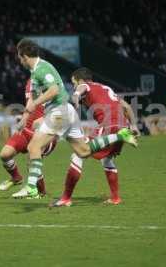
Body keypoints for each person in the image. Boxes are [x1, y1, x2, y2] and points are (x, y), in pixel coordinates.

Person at [12, 39, 138, 199]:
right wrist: (25, 118)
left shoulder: (42, 69)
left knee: (33, 147)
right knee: (83, 151)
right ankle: (120, 135)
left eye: (19, 56)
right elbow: (33, 99)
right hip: (65, 112)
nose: (19, 60)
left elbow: (54, 89)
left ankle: (31, 187)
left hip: (59, 112)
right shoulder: (36, 72)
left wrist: (36, 103)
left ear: (24, 56)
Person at [51, 68, 140, 207]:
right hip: (123, 125)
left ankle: (65, 198)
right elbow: (127, 107)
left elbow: (79, 90)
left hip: (108, 125)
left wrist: (74, 98)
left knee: (78, 154)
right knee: (106, 159)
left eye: (73, 82)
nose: (74, 85)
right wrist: (134, 127)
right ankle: (115, 198)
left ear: (79, 79)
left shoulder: (85, 85)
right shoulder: (105, 88)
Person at [0, 79, 57, 197]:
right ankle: (16, 178)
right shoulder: (30, 82)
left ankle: (41, 193)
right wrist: (23, 118)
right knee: (4, 154)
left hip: (44, 133)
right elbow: (30, 104)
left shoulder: (51, 85)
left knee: (32, 162)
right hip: (25, 131)